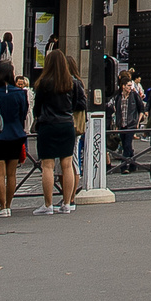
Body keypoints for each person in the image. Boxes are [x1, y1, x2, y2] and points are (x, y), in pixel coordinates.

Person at [30, 53, 86, 215]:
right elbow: (76, 104)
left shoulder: (43, 83)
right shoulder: (72, 83)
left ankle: (48, 204)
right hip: (67, 124)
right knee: (67, 164)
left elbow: (37, 106)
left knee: (47, 165)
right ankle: (67, 203)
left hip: (48, 124)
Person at [0, 59, 29, 217]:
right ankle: (9, 205)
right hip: (15, 133)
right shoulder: (20, 92)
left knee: (0, 173)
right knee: (12, 173)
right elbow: (23, 114)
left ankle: (2, 205)